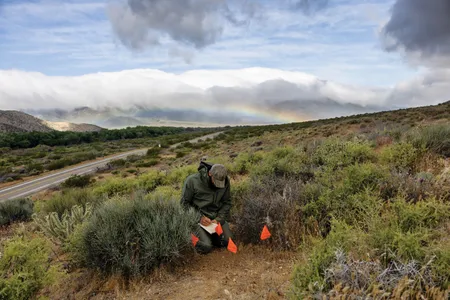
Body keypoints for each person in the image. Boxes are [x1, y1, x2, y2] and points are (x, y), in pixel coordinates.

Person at [181, 161, 232, 254]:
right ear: (209, 174)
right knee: (206, 247)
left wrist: (218, 219)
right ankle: (187, 235)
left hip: (215, 219)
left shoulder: (225, 181)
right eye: (215, 181)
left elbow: (227, 203)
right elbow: (184, 204)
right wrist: (199, 218)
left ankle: (209, 236)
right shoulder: (192, 181)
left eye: (221, 183)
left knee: (227, 241)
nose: (218, 185)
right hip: (197, 220)